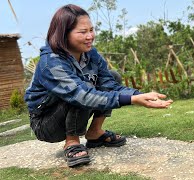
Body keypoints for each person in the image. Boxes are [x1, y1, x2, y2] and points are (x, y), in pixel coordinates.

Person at [24, 4, 173, 168]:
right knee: (82, 88)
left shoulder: (91, 54)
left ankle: (95, 133)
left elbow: (109, 85)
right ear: (63, 34)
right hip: (46, 123)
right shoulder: (51, 62)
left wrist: (138, 95)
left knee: (112, 76)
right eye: (82, 32)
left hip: (74, 100)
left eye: (91, 30)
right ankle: (72, 142)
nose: (90, 36)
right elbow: (80, 95)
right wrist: (131, 100)